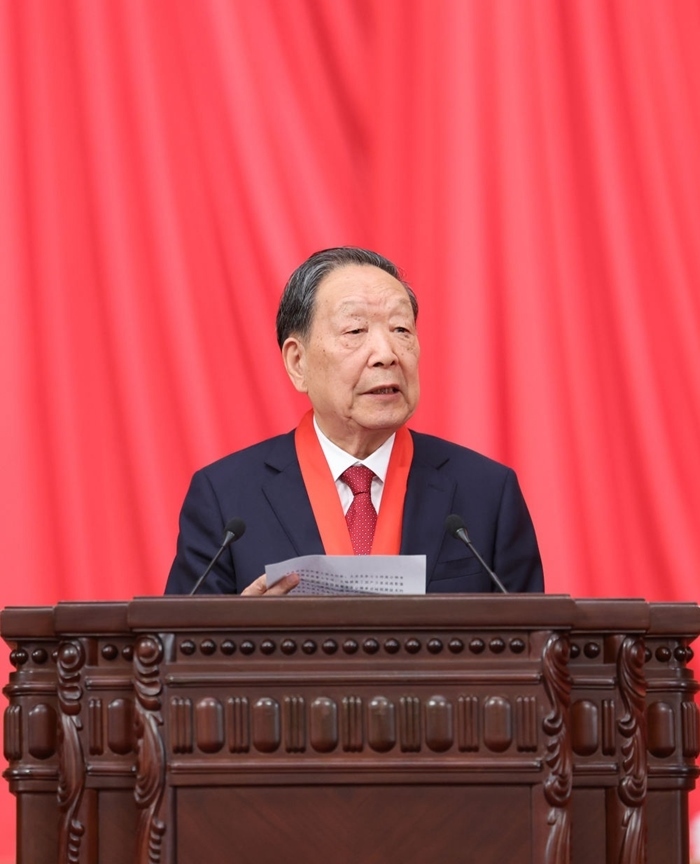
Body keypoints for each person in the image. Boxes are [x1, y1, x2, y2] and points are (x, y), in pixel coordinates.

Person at [165, 247, 543, 596]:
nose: (386, 354)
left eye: (401, 330)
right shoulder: (224, 499)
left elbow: (537, 639)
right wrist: (240, 635)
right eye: (356, 331)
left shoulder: (487, 493)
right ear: (298, 362)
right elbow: (174, 642)